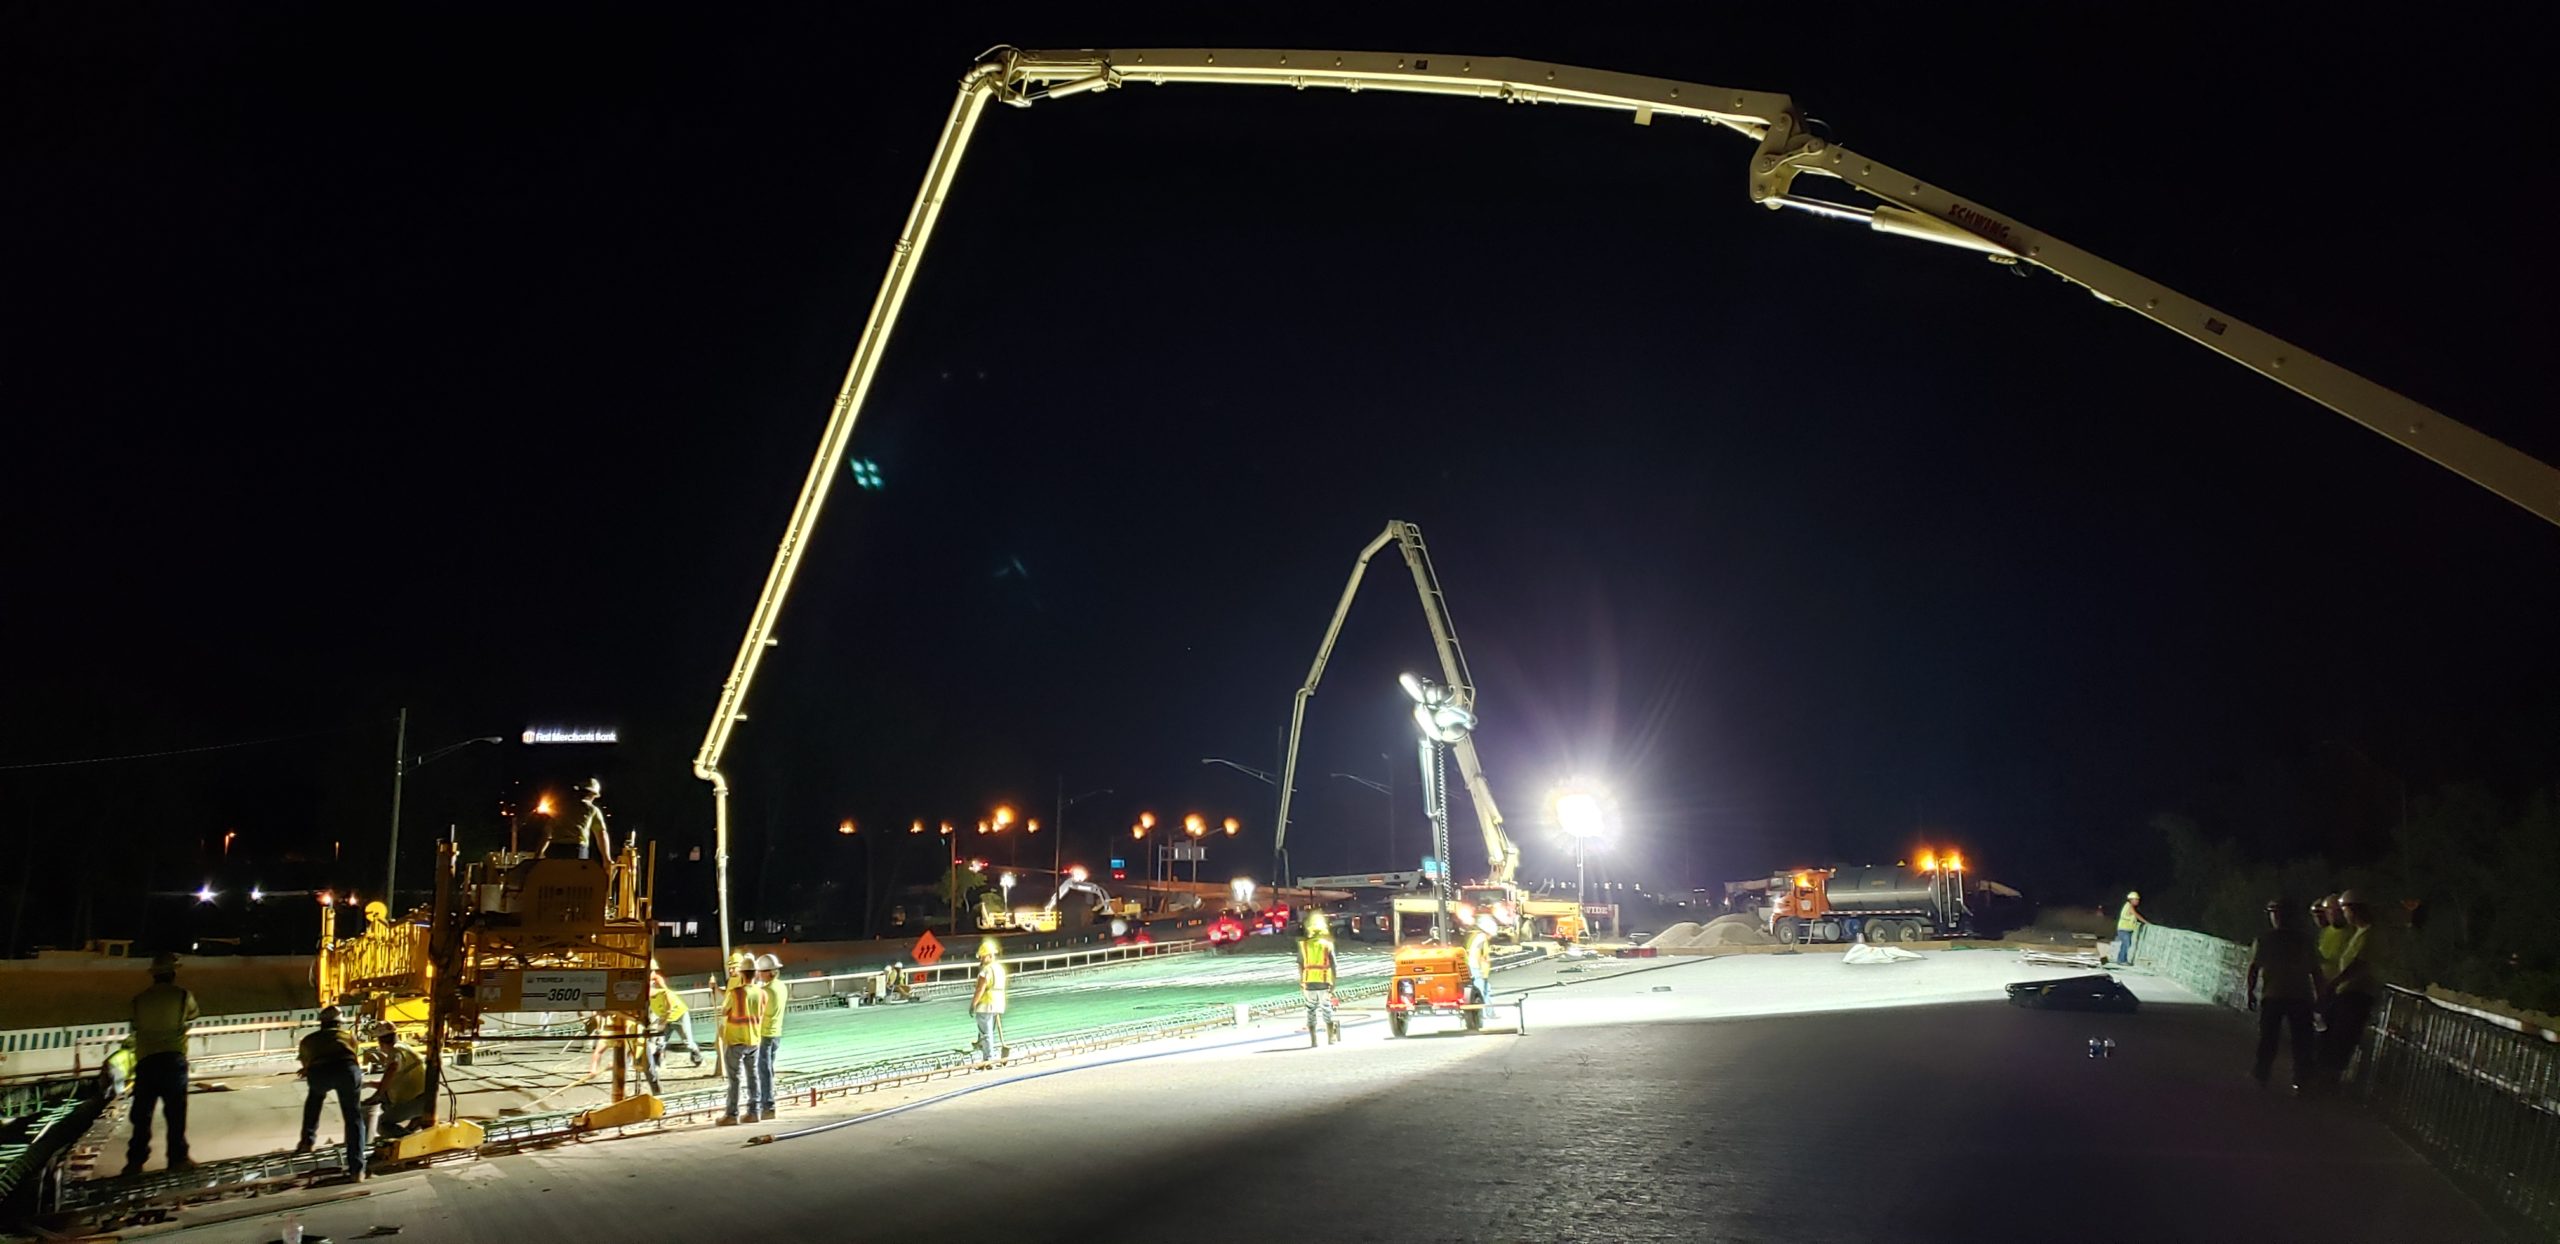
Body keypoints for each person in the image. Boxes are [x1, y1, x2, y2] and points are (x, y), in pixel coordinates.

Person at [125, 952, 199, 1175]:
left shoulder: (139, 1000)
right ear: (173, 973)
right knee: (175, 1113)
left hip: (146, 1061)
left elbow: (134, 1026)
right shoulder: (182, 996)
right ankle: (177, 1159)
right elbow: (193, 1015)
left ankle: (135, 1162)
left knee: (142, 1114)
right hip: (172, 1059)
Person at [2244, 898, 2320, 1091]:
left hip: (2275, 995)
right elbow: (2316, 971)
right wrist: (2321, 997)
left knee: (2270, 1037)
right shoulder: (2304, 940)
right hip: (2299, 996)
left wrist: (2250, 992)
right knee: (2301, 1040)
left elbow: (2254, 968)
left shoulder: (2265, 940)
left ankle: (2262, 1073)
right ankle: (2301, 1079)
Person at [2319, 889, 2386, 1085]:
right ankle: (2327, 1077)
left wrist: (2336, 982)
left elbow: (2359, 964)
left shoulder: (2369, 934)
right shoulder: (2360, 933)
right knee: (2333, 1036)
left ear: (2353, 910)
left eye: (2345, 910)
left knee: (2342, 1038)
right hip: (2347, 994)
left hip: (2355, 995)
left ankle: (2330, 1080)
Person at [293, 1007, 367, 1180]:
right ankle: (357, 1170)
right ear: (340, 1023)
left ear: (321, 1023)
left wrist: (308, 1070)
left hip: (320, 1072)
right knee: (353, 1117)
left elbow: (306, 1063)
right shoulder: (348, 1036)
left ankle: (307, 1141)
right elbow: (353, 1055)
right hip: (347, 1071)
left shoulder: (309, 1040)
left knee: (315, 1098)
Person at [715, 954, 764, 1125]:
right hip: (754, 1039)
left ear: (742, 973)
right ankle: (754, 1112)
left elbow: (724, 1011)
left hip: (735, 1039)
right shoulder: (762, 993)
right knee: (753, 1076)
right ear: (755, 973)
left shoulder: (736, 993)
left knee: (734, 1078)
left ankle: (731, 1114)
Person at [364, 1027, 429, 1143]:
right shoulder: (405, 1048)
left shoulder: (395, 1053)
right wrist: (368, 1084)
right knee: (385, 1100)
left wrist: (377, 1095)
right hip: (423, 1096)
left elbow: (392, 1069)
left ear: (381, 1042)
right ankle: (407, 1136)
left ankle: (407, 1144)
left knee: (383, 1123)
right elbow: (392, 1082)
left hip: (416, 1100)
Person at [645, 966, 700, 1095]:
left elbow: (669, 1010)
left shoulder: (664, 993)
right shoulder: (649, 998)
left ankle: (697, 1055)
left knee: (688, 1042)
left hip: (679, 1015)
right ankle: (658, 1064)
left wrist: (662, 1023)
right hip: (666, 1018)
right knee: (660, 1042)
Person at [543, 777, 613, 860]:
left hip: (555, 849)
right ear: (592, 795)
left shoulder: (560, 808)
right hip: (577, 849)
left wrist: (538, 854)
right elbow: (602, 833)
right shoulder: (592, 810)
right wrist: (607, 858)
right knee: (577, 872)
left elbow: (546, 832)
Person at [753, 953, 787, 1122]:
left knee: (763, 1072)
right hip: (776, 1034)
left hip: (764, 1035)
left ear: (767, 972)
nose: (758, 975)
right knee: (768, 1070)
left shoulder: (765, 991)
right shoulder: (781, 986)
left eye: (759, 972)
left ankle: (768, 1105)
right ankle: (766, 1102)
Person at [1298, 911, 1340, 1045]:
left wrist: (1302, 980)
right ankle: (1331, 1038)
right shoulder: (1327, 944)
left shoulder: (1304, 945)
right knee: (1326, 1008)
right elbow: (1334, 965)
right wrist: (1334, 981)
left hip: (1308, 982)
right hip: (1323, 981)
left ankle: (1313, 1040)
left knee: (1310, 1009)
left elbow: (1300, 964)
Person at [971, 938, 1008, 1065]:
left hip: (986, 1003)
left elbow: (980, 989)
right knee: (989, 1032)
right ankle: (987, 1053)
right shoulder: (1000, 968)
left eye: (982, 957)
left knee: (986, 1033)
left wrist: (973, 1004)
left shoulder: (985, 970)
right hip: (998, 1002)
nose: (981, 960)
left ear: (990, 956)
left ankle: (988, 1059)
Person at [1464, 914, 1497, 1016]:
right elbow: (1476, 953)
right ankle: (1482, 1014)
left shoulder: (1478, 937)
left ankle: (1490, 1013)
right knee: (1481, 991)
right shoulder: (1481, 938)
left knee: (1486, 990)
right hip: (1477, 969)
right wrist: (1480, 970)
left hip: (1479, 970)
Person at [2114, 890, 2147, 965]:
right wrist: (2146, 923)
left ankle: (2121, 960)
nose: (2138, 901)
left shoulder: (2128, 905)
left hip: (2126, 929)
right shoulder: (2129, 906)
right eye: (2136, 899)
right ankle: (2122, 960)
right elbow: (2137, 915)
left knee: (2124, 944)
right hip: (2124, 929)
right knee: (2127, 944)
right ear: (2131, 899)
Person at [101, 1036, 137, 1101]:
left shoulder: (122, 1052)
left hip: (112, 1064)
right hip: (117, 1067)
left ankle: (109, 1096)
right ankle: (119, 1098)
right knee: (119, 1088)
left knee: (114, 1085)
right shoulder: (132, 1054)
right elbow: (133, 1067)